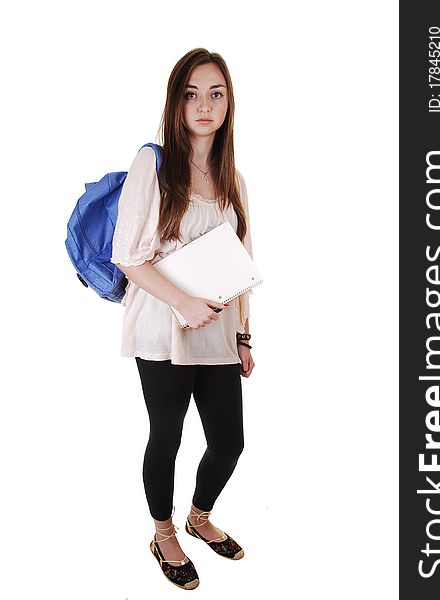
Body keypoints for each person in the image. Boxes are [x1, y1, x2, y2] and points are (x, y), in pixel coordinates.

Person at [110, 47, 256, 591]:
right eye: (191, 93)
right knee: (166, 435)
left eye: (215, 93)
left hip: (217, 334)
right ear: (175, 103)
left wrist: (243, 334)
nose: (204, 105)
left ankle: (199, 517)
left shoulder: (233, 180)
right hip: (161, 331)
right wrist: (183, 302)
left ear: (228, 105)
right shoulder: (153, 163)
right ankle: (163, 530)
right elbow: (127, 256)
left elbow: (242, 267)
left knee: (229, 441)